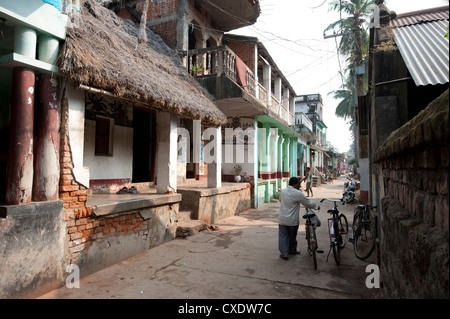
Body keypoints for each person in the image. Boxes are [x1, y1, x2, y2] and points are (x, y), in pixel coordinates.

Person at [278, 177, 320, 260]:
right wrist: (316, 206)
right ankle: (292, 250)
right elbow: (307, 203)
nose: (300, 186)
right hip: (293, 220)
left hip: (282, 219)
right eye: (298, 184)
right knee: (292, 236)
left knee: (283, 237)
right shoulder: (298, 193)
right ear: (293, 184)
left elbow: (280, 200)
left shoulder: (283, 191)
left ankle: (284, 253)